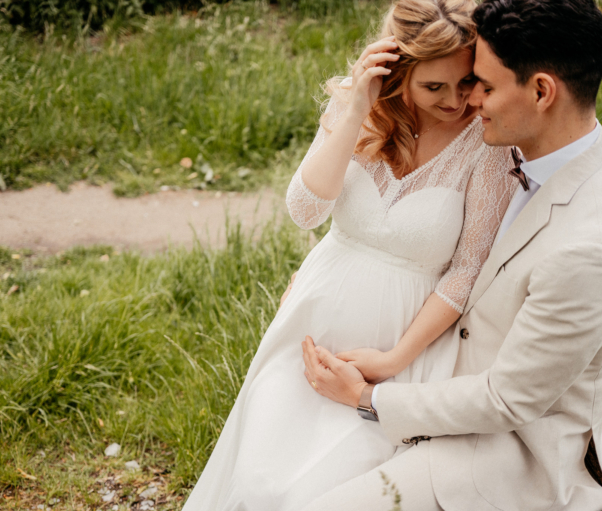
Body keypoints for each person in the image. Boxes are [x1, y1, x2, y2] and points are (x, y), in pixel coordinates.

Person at [298, 0, 602, 510]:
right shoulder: (541, 158)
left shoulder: (591, 249)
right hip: (436, 377)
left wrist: (366, 397)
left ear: (541, 91)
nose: (470, 103)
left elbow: (507, 400)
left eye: (483, 86)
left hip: (504, 454)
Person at [182, 0, 518, 509]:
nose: (455, 102)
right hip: (315, 321)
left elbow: (467, 268)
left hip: (406, 342)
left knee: (319, 491)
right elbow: (305, 210)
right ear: (396, 72)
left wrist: (392, 359)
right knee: (258, 481)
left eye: (466, 81)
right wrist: (358, 106)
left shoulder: (485, 141)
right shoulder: (358, 107)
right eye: (434, 87)